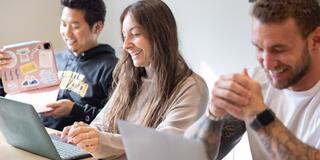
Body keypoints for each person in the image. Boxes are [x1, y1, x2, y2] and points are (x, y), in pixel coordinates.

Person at [60, 0, 209, 159]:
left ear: (160, 35)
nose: (125, 45)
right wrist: (84, 133)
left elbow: (163, 146)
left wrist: (100, 139)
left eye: (135, 34)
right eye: (124, 35)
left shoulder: (192, 87)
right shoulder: (130, 76)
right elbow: (101, 124)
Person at [185, 0, 320, 160]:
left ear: (316, 40)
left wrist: (259, 115)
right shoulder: (256, 81)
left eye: (278, 49)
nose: (267, 63)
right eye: (259, 48)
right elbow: (190, 155)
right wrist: (214, 114)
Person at [0, 0, 118, 131]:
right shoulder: (54, 59)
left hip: (76, 146)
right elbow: (15, 101)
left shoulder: (112, 68)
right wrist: (3, 77)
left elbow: (113, 122)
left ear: (97, 27)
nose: (67, 33)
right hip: (38, 135)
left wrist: (74, 110)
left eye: (75, 26)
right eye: (63, 24)